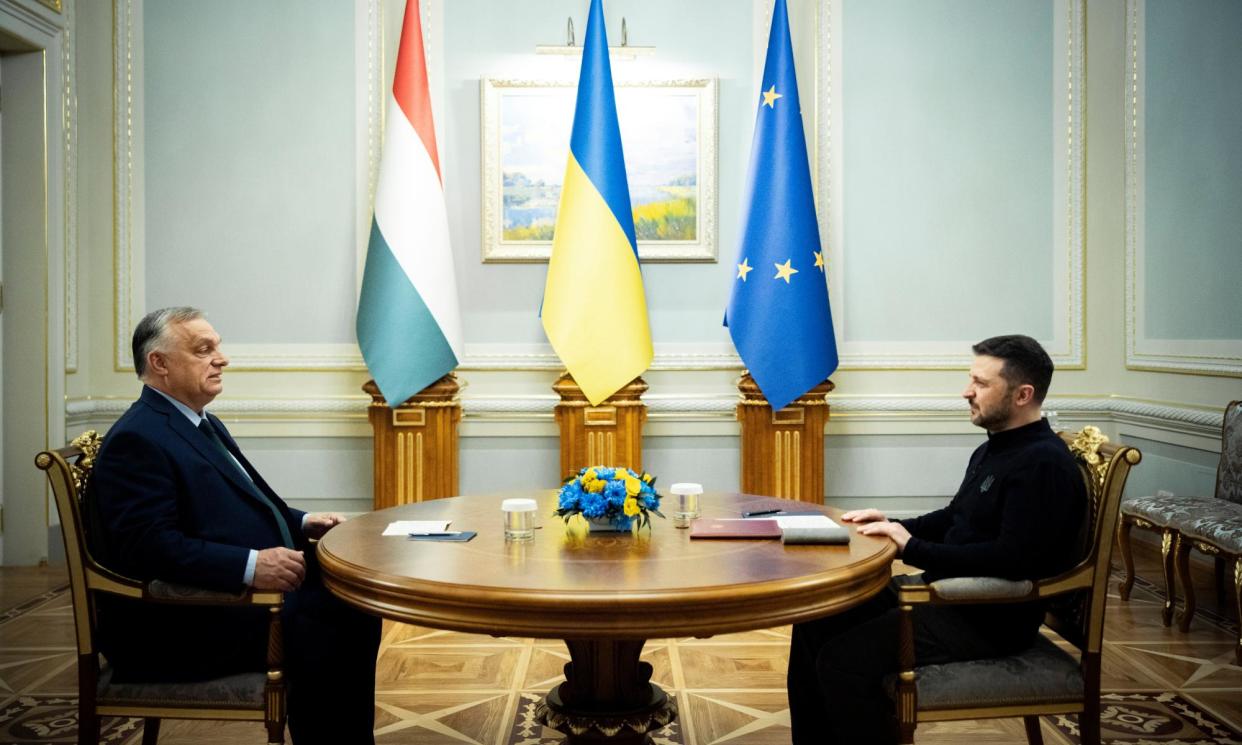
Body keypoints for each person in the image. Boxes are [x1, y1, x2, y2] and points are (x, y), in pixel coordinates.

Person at [88, 307, 381, 745]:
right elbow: (148, 547)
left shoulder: (199, 421)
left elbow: (245, 505)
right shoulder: (139, 438)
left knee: (353, 599)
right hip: (174, 626)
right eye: (204, 350)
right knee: (332, 619)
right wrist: (250, 566)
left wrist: (302, 522)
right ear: (159, 364)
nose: (221, 358)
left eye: (218, 347)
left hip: (228, 601)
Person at [786, 334, 1088, 744]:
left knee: (843, 660)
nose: (967, 392)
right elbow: (954, 518)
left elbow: (1012, 558)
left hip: (987, 616)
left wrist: (910, 547)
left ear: (1023, 394)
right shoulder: (997, 448)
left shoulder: (1044, 464)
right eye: (971, 379)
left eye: (981, 383)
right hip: (948, 595)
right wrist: (891, 523)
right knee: (815, 620)